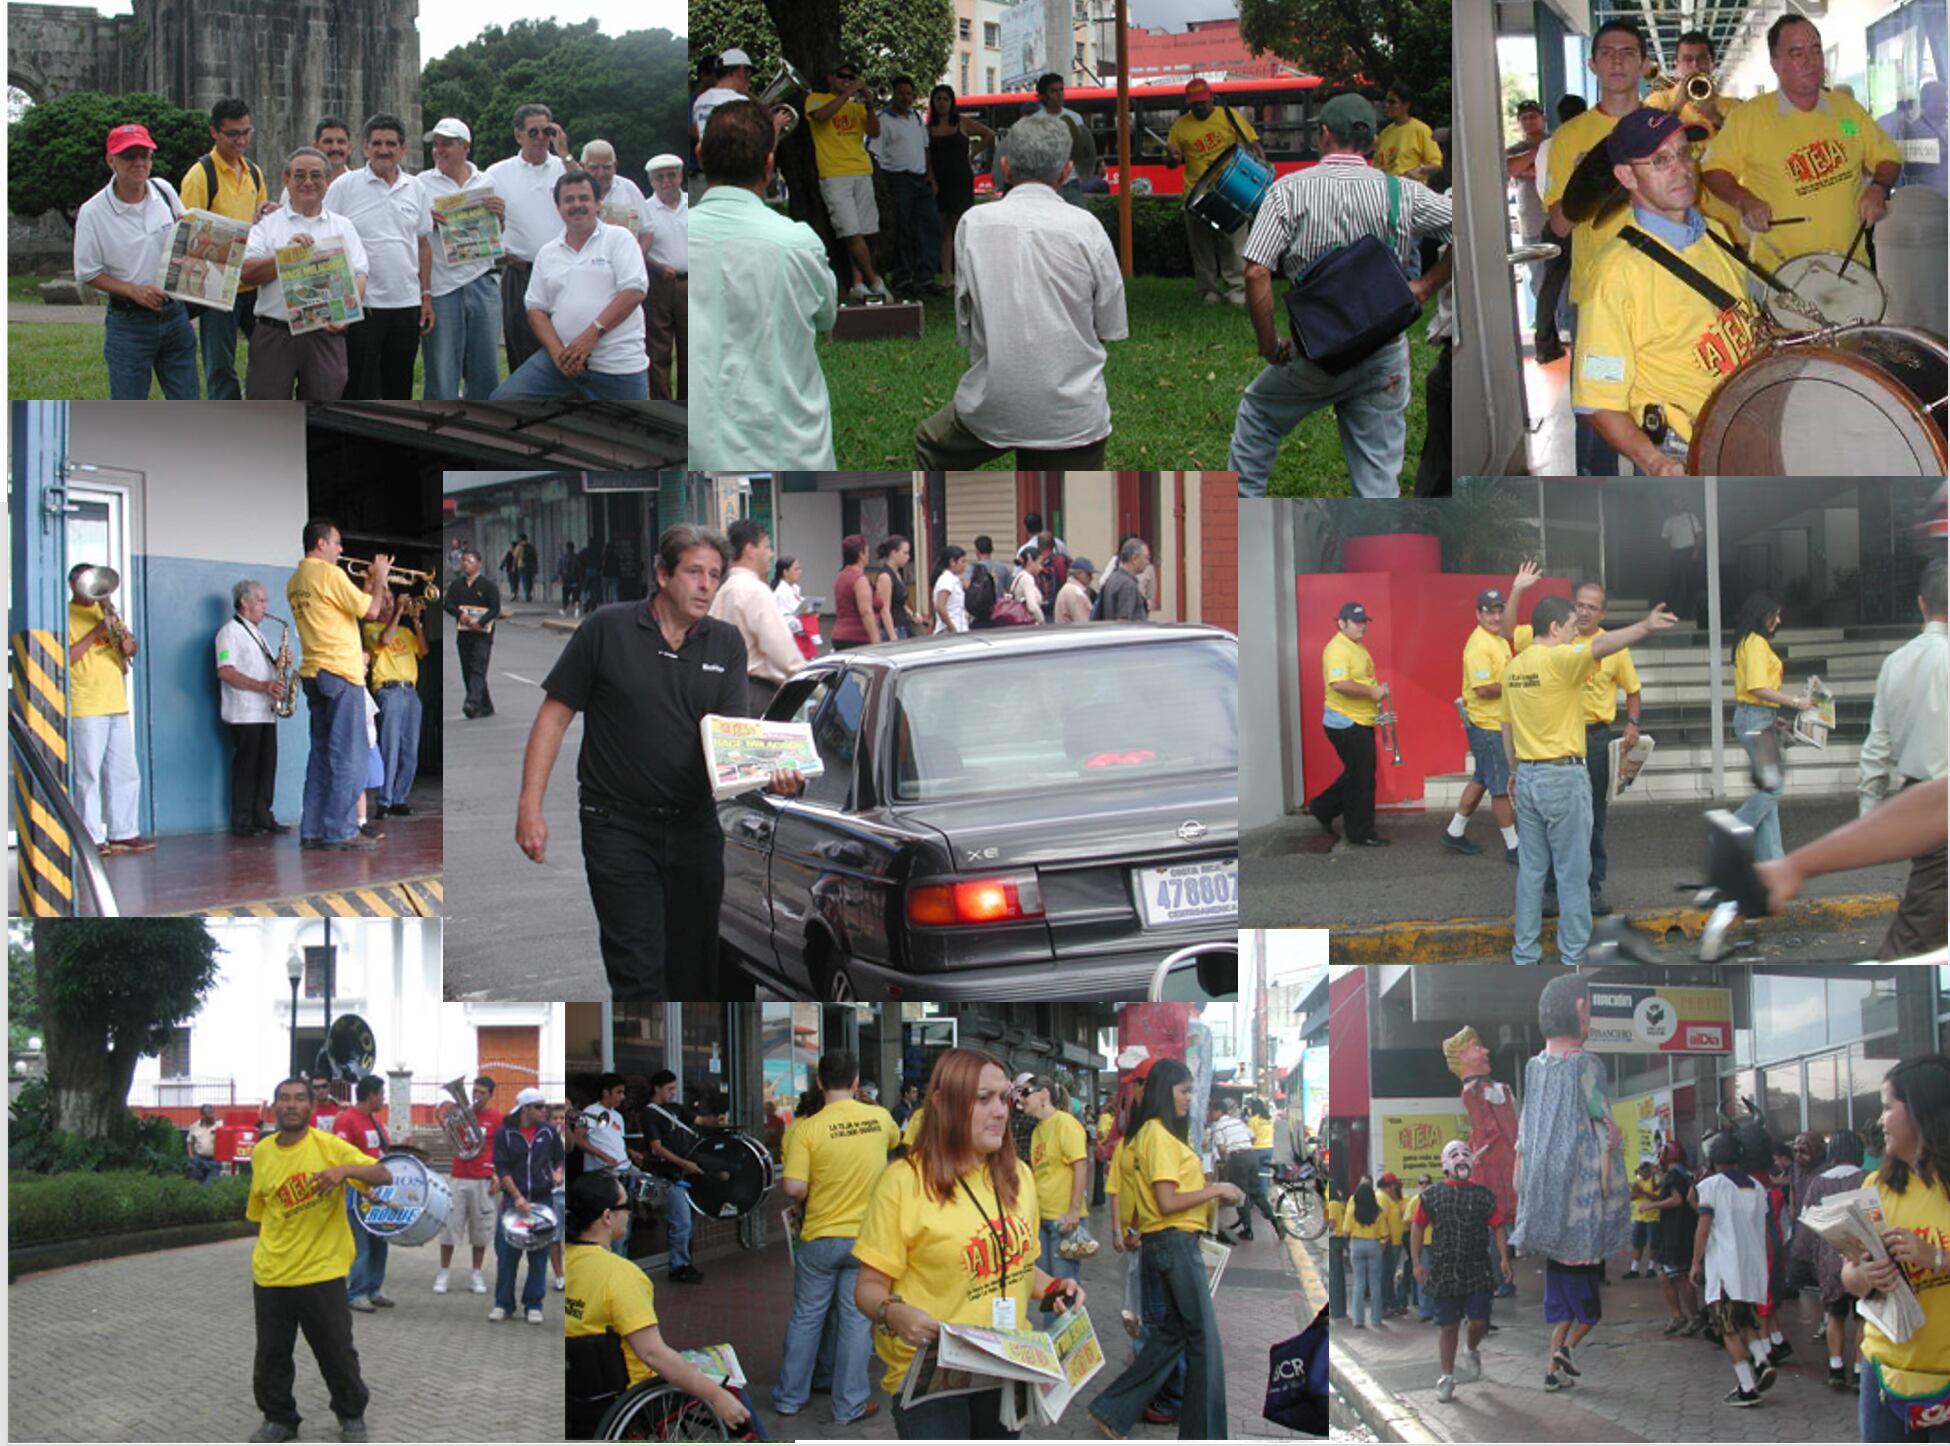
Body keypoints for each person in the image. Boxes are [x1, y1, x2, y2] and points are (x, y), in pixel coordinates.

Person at [516, 525, 804, 998]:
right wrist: (531, 806)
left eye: (714, 574)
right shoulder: (606, 629)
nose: (706, 584)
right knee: (638, 973)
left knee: (695, 975)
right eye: (694, 572)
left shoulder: (726, 643)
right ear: (663, 574)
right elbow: (553, 717)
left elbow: (733, 741)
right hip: (617, 828)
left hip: (694, 829)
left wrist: (773, 775)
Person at [852, 1047, 1085, 1440]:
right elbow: (868, 1288)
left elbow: (1019, 1268)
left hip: (1004, 1366)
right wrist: (893, 1313)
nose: (1001, 1111)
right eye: (983, 1099)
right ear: (943, 1103)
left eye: (1004, 1098)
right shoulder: (904, 1182)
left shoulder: (1019, 1178)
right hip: (932, 1378)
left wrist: (1052, 1287)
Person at [1230, 93, 1452, 499]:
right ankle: (1379, 554)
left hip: (1316, 352)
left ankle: (1245, 519)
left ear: (1325, 133)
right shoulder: (1404, 193)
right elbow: (1469, 228)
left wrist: (1268, 345)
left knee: (1259, 413)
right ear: (1370, 143)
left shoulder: (1287, 191)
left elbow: (1257, 271)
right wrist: (1427, 285)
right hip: (1384, 352)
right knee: (1379, 477)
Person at [914, 115, 1128, 469]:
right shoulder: (1087, 228)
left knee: (929, 444)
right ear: (1066, 172)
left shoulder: (972, 224)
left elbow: (966, 324)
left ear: (1005, 167)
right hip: (1073, 416)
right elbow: (1109, 328)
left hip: (993, 404)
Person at [1569, 109, 1760, 475]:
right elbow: (1597, 401)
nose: (1682, 168)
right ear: (1627, 175)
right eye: (1660, 160)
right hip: (1685, 449)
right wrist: (1655, 462)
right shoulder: (1615, 275)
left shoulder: (1714, 233)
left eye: (1685, 153)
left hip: (1741, 431)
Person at [1500, 590, 1677, 964]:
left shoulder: (1514, 666)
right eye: (1568, 626)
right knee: (1572, 874)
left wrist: (1514, 770)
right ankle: (1573, 956)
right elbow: (1602, 645)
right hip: (1562, 777)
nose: (1572, 633)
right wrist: (1644, 626)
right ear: (1553, 626)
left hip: (1528, 777)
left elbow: (1506, 726)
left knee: (1531, 872)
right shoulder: (1560, 659)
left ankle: (1525, 954)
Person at [691, 99, 839, 470]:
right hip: (792, 447)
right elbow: (827, 317)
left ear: (700, 156)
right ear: (769, 166)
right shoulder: (799, 243)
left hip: (700, 449)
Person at [245, 1077, 391, 1445]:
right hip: (271, 1273)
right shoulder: (262, 1152)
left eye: (299, 1099)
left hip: (321, 1271)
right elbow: (262, 1211)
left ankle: (351, 1414)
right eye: (283, 1099)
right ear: (274, 1107)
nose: (291, 1105)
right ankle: (279, 1418)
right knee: (271, 1355)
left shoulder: (330, 1147)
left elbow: (383, 1173)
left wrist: (344, 1171)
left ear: (311, 1106)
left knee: (336, 1351)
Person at [563, 1171, 756, 1436]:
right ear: (607, 1216)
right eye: (626, 1205)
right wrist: (716, 1396)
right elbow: (653, 1353)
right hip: (630, 1397)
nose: (630, 1213)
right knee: (733, 1392)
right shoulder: (621, 1276)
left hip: (577, 1394)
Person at [1510, 974, 1631, 1392]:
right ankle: (1564, 1355)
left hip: (1547, 1197)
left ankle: (1552, 1369)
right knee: (1585, 1306)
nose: (1591, 1017)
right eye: (1589, 1008)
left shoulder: (1534, 1066)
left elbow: (1527, 1127)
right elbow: (1603, 1121)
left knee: (1562, 1305)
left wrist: (1521, 1171)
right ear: (1579, 1009)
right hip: (1581, 1197)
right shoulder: (1586, 1063)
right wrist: (1611, 1153)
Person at [1703, 15, 1902, 267]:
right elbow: (1712, 170)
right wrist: (1744, 201)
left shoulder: (1847, 111)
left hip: (1850, 267)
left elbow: (1888, 157)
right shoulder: (1748, 117)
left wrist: (1878, 188)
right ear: (1775, 63)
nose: (1811, 61)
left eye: (1816, 50)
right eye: (1797, 53)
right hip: (1781, 274)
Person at [775, 1049, 899, 1426]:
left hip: (820, 1237)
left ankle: (789, 1398)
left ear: (818, 1083)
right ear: (856, 1082)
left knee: (806, 1318)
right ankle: (849, 1405)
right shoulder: (878, 1118)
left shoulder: (805, 1129)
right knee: (855, 1322)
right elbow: (896, 1142)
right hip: (866, 1241)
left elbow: (794, 1187)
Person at [1841, 1057, 1950, 1442]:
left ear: (1920, 1110)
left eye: (1888, 1107)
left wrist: (1935, 1257)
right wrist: (1864, 1276)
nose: (1880, 1121)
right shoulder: (1877, 1187)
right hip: (1883, 1372)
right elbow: (1849, 1275)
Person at [1537, 580, 1644, 918]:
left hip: (1595, 740)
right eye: (1579, 605)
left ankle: (1591, 888)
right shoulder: (1557, 639)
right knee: (1556, 817)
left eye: (1591, 607)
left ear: (1603, 613)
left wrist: (1632, 724)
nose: (1583, 611)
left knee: (1594, 817)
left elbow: (1633, 690)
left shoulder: (1614, 648)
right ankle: (1552, 892)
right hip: (1557, 739)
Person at [1857, 558, 1948, 961]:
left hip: (1919, 802)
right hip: (1940, 805)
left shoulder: (1895, 663)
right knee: (1917, 932)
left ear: (1920, 604)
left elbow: (1876, 751)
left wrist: (1868, 821)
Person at [491, 172, 649, 400]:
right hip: (559, 363)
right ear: (558, 207)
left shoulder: (619, 239)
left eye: (584, 198)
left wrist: (588, 339)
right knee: (502, 400)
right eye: (569, 200)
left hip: (618, 366)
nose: (577, 205)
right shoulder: (547, 252)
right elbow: (536, 309)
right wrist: (557, 354)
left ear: (597, 204)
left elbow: (634, 291)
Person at [73, 124, 201, 400]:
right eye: (130, 155)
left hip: (175, 314)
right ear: (111, 161)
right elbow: (88, 272)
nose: (140, 163)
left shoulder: (164, 191)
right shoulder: (93, 212)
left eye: (145, 154)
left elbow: (183, 234)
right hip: (128, 323)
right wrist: (133, 291)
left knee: (188, 403)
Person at [288, 521, 390, 852]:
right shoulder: (329, 575)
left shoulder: (296, 581)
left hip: (314, 673)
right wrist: (381, 579)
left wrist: (367, 583)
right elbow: (373, 610)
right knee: (350, 755)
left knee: (320, 754)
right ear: (321, 543)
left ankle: (313, 830)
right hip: (341, 672)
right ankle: (342, 829)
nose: (341, 550)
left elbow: (345, 609)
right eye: (337, 543)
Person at [241, 148, 371, 400]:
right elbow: (248, 273)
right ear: (286, 180)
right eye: (299, 175)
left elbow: (359, 274)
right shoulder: (267, 225)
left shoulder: (343, 226)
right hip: (275, 333)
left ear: (327, 181)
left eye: (316, 175)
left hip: (326, 333)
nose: (308, 182)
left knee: (324, 411)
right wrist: (285, 256)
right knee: (267, 412)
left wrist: (346, 315)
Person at [324, 114, 430, 400]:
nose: (385, 150)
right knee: (358, 384)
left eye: (391, 144)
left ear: (403, 149)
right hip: (362, 305)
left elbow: (422, 244)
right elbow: (326, 241)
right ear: (365, 148)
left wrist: (426, 296)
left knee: (400, 384)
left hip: (406, 302)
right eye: (378, 143)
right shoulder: (344, 187)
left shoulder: (416, 188)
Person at [178, 98, 271, 400]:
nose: (240, 140)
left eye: (246, 132)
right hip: (217, 288)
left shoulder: (254, 172)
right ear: (214, 133)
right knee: (220, 366)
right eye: (232, 134)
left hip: (253, 284)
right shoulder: (200, 175)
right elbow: (189, 236)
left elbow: (263, 225)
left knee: (268, 356)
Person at [65, 559, 154, 858]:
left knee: (125, 770)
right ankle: (91, 835)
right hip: (86, 705)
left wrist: (126, 640)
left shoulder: (106, 612)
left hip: (116, 702)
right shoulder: (66, 614)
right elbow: (67, 658)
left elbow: (130, 650)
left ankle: (123, 832)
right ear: (72, 585)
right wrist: (95, 632)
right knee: (88, 774)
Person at [1412, 1140, 1513, 1404]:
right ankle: (1447, 1376)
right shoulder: (1431, 1196)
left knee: (1479, 1321)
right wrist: (1416, 1261)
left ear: (1472, 1161)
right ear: (1445, 1163)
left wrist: (1504, 1258)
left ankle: (1471, 1348)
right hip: (1445, 1270)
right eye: (1454, 1154)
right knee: (1448, 1326)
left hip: (1478, 1268)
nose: (1461, 1158)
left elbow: (1499, 1226)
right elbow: (1417, 1226)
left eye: (1465, 1153)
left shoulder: (1482, 1195)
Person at [418, 117, 506, 401]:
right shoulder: (421, 184)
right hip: (443, 288)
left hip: (484, 282)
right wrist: (424, 222)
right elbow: (415, 238)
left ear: (465, 147)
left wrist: (500, 217)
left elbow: (496, 233)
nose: (439, 150)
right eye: (436, 145)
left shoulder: (487, 181)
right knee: (442, 374)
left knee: (486, 373)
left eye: (446, 144)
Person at [1443, 578, 1529, 865]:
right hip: (1488, 725)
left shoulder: (1498, 639)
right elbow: (1483, 689)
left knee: (1482, 777)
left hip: (1493, 724)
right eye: (1489, 612)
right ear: (1477, 614)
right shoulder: (1479, 645)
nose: (1495, 617)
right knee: (1500, 785)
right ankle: (1513, 846)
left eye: (1498, 611)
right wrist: (1515, 686)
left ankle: (1454, 832)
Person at [482, 103, 572, 373]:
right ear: (518, 135)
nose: (541, 138)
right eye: (533, 132)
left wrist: (565, 153)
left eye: (547, 131)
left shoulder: (564, 167)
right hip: (520, 272)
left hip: (564, 269)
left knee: (566, 344)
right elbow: (480, 222)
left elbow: (590, 192)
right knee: (521, 349)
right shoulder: (497, 174)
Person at [1692, 1130, 1777, 1407]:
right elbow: (1762, 1227)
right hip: (1752, 1267)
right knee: (1746, 1320)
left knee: (1728, 1329)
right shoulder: (1757, 1186)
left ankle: (1747, 1387)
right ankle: (1762, 1360)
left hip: (1725, 1269)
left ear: (1713, 1158)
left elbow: (1704, 1228)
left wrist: (1696, 1262)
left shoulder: (1712, 1185)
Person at [1165, 79, 1265, 306]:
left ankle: (1237, 291)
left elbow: (1253, 142)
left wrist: (1262, 163)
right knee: (1201, 246)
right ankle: (1209, 292)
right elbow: (1171, 160)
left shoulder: (1229, 116)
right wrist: (1172, 158)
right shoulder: (1180, 126)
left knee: (1234, 243)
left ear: (1212, 97)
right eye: (1194, 104)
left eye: (1203, 102)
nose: (1199, 107)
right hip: (1197, 193)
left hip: (1231, 189)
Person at [1731, 592, 1815, 863]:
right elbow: (1757, 686)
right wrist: (1795, 702)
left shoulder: (1750, 642)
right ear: (1762, 615)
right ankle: (1729, 833)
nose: (1778, 620)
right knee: (1773, 789)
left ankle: (1772, 861)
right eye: (1775, 615)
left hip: (1757, 718)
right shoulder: (1756, 643)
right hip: (1756, 720)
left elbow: (1753, 691)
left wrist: (1772, 715)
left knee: (1769, 791)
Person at [1443, 1025, 1520, 1298]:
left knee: (1497, 1226)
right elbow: (1487, 1132)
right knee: (1496, 1224)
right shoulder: (1474, 1091)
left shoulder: (1484, 1089)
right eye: (1478, 1047)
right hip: (1497, 1166)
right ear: (1463, 1057)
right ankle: (1501, 1277)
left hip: (1502, 1162)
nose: (1486, 1051)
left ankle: (1501, 1277)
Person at [807, 62, 893, 302]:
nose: (847, 81)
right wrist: (848, 93)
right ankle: (875, 281)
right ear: (830, 78)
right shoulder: (815, 99)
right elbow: (822, 116)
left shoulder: (855, 107)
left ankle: (858, 284)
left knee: (863, 232)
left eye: (850, 77)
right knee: (850, 231)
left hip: (861, 171)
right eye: (841, 76)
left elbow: (874, 132)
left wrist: (868, 103)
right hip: (834, 173)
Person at [1309, 602, 1390, 847]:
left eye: (1364, 621)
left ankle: (1322, 808)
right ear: (1341, 623)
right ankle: (1360, 832)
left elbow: (1360, 680)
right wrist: (1372, 691)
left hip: (1358, 720)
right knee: (1362, 779)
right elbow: (1339, 683)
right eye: (1356, 622)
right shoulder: (1337, 649)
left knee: (1357, 774)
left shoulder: (1357, 647)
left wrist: (1376, 695)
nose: (1362, 626)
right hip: (1345, 722)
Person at [707, 518, 804, 717]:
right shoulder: (755, 591)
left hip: (723, 690)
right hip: (756, 693)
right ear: (750, 549)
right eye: (766, 547)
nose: (770, 554)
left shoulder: (724, 590)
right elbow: (782, 650)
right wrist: (808, 677)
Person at [1799, 1130, 1869, 1392]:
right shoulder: (1866, 1178)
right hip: (1862, 1258)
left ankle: (1836, 1368)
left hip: (1829, 1259)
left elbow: (1806, 1218)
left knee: (1834, 1316)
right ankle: (1861, 1371)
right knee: (1863, 1318)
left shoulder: (1818, 1182)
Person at [491, 1087, 562, 1324]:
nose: (545, 1111)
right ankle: (503, 1303)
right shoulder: (505, 1133)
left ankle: (534, 1304)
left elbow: (559, 1158)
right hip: (514, 1201)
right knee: (507, 1254)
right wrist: (517, 1196)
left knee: (539, 1254)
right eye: (540, 1107)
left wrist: (558, 1172)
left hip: (542, 1199)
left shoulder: (549, 1132)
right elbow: (502, 1168)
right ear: (526, 1109)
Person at [870, 76, 944, 297]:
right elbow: (874, 153)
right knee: (902, 229)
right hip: (896, 179)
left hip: (920, 179)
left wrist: (930, 175)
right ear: (894, 94)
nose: (906, 98)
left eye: (909, 94)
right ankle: (902, 277)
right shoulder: (883, 119)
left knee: (930, 226)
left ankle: (926, 276)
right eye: (901, 93)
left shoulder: (916, 118)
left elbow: (925, 148)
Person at [1531, 94, 1587, 364]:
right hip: (1578, 222)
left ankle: (1544, 343)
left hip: (1551, 221)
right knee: (1582, 285)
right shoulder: (1582, 143)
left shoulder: (1546, 146)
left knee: (1550, 285)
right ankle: (1583, 343)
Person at [640, 1071, 709, 1284]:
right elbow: (657, 1147)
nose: (673, 1093)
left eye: (674, 1088)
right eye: (669, 1089)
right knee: (681, 1222)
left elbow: (698, 1120)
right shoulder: (649, 1114)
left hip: (685, 1174)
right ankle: (678, 1266)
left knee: (688, 1222)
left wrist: (716, 1119)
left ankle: (684, 1262)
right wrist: (683, 1163)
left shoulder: (677, 1109)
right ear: (657, 1088)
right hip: (668, 1175)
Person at [362, 592, 426, 819]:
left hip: (410, 691)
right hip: (389, 691)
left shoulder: (407, 631)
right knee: (390, 747)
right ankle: (384, 801)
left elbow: (423, 650)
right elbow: (385, 640)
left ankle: (400, 798)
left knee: (410, 750)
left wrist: (417, 622)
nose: (390, 602)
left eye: (392, 600)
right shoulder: (370, 629)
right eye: (386, 600)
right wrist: (399, 611)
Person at [436, 1075, 501, 1296]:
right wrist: (446, 1129)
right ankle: (444, 1273)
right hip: (459, 1176)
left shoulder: (497, 1118)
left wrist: (498, 1175)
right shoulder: (460, 1116)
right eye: (474, 1091)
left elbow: (502, 1150)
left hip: (483, 1178)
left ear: (491, 1095)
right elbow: (451, 1145)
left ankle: (476, 1274)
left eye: (482, 1093)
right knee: (449, 1227)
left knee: (480, 1230)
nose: (476, 1096)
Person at [335, 1074, 394, 1312]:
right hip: (356, 1192)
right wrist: (362, 1185)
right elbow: (341, 1157)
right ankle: (356, 1293)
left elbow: (385, 1150)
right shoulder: (346, 1120)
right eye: (382, 1094)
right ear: (371, 1095)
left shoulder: (375, 1121)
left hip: (376, 1191)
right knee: (362, 1245)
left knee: (380, 1242)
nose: (384, 1098)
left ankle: (374, 1288)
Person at [926, 86, 995, 285]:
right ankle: (947, 275)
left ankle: (967, 272)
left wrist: (973, 153)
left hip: (960, 179)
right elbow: (927, 157)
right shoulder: (929, 128)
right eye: (938, 98)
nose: (941, 102)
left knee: (962, 225)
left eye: (945, 99)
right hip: (940, 181)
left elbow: (988, 135)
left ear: (952, 102)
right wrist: (931, 178)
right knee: (944, 228)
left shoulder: (963, 123)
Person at [1024, 1076, 1089, 1281]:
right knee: (1048, 1289)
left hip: (1064, 1221)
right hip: (1042, 1220)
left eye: (1026, 1092)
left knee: (1063, 1289)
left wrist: (1074, 1212)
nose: (1021, 1099)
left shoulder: (1065, 1123)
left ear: (1044, 1094)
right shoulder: (1037, 1131)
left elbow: (1080, 1166)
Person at [569, 1074, 640, 1256]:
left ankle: (621, 1262)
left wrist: (631, 1153)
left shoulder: (618, 1116)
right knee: (610, 1226)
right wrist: (603, 1156)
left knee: (624, 1226)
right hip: (604, 1177)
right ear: (605, 1092)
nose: (622, 1097)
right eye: (619, 1092)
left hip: (624, 1171)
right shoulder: (590, 1111)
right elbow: (578, 1139)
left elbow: (615, 1141)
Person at [640, 155, 689, 401]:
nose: (666, 181)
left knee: (690, 348)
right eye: (660, 177)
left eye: (671, 175)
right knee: (658, 350)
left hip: (690, 282)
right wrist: (657, 267)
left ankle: (688, 405)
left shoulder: (693, 205)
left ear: (681, 176)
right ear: (651, 180)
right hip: (659, 283)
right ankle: (662, 402)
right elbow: (636, 249)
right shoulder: (644, 210)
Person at [1648, 1140, 1703, 1335]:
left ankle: (1693, 1316)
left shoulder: (1675, 1175)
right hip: (1680, 1230)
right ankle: (1679, 1315)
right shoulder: (1683, 1174)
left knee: (1679, 1275)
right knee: (1666, 1274)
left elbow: (1677, 1199)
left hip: (1676, 1233)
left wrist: (1651, 1206)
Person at [443, 547, 499, 720]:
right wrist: (460, 615)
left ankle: (472, 703)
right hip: (464, 634)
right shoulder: (457, 585)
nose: (465, 564)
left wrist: (480, 622)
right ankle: (486, 705)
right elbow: (448, 604)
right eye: (464, 561)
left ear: (478, 564)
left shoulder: (488, 585)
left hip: (482, 635)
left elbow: (495, 608)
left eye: (469, 561)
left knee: (478, 668)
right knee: (468, 669)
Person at [1025, 74, 1096, 209]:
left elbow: (1084, 148)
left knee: (1082, 221)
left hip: (1071, 183)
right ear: (1043, 96)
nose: (1059, 95)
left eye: (1061, 90)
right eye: (1053, 91)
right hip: (1046, 186)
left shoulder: (1075, 118)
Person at [690, 48, 756, 158]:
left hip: (710, 166)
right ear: (741, 70)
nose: (749, 80)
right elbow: (753, 143)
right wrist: (776, 125)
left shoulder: (700, 101)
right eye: (749, 74)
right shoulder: (741, 101)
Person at [1661, 496, 1705, 623]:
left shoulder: (1691, 517)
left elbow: (1699, 535)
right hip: (1676, 554)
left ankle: (1689, 613)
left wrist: (1696, 551)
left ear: (1683, 504)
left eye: (1679, 503)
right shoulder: (1668, 521)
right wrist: (1669, 554)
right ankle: (1670, 611)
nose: (1677, 505)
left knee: (1691, 585)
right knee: (1674, 584)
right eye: (1675, 503)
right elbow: (1665, 539)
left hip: (1689, 553)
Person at [831, 534, 879, 650]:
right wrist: (876, 641)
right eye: (867, 551)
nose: (868, 555)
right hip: (858, 637)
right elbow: (866, 612)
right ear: (861, 555)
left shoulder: (842, 576)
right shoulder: (859, 579)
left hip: (840, 633)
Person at [1096, 538, 1152, 623]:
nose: (1148, 562)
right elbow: (1124, 621)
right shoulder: (1128, 585)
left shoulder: (1112, 578)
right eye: (1146, 557)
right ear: (1134, 558)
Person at [871, 536, 914, 640]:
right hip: (893, 629)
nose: (908, 557)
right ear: (893, 553)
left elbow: (899, 601)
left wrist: (911, 614)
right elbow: (884, 609)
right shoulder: (885, 577)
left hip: (902, 625)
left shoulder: (897, 574)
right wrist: (892, 635)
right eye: (905, 553)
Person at [1627, 1161, 1660, 1277]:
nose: (1642, 1173)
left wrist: (1644, 1193)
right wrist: (1635, 1193)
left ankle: (1651, 1268)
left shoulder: (1655, 1181)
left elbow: (1658, 1197)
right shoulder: (1638, 1181)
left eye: (1644, 1170)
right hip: (1638, 1217)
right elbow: (1632, 1197)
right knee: (1637, 1244)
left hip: (1652, 1217)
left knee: (1652, 1244)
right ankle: (1634, 1268)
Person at [1005, 546, 1048, 627]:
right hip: (1028, 625)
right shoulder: (1027, 579)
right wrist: (1042, 622)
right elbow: (1032, 606)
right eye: (1039, 563)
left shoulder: (1020, 576)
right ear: (1031, 561)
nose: (1041, 568)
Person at [932, 546, 970, 634]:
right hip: (949, 631)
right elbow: (940, 606)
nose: (965, 565)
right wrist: (951, 627)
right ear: (952, 562)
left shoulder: (954, 579)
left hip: (959, 627)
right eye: (962, 561)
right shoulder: (946, 580)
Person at [187, 1103, 223, 1184]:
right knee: (197, 1185)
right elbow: (189, 1142)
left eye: (212, 1113)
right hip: (199, 1160)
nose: (212, 1117)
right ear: (202, 1116)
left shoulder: (220, 1126)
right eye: (209, 1116)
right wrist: (191, 1158)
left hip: (214, 1161)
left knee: (209, 1186)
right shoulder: (194, 1126)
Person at [1054, 555, 1094, 625]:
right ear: (1079, 573)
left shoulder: (1069, 588)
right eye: (1089, 574)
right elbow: (1082, 623)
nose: (1091, 578)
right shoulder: (1076, 593)